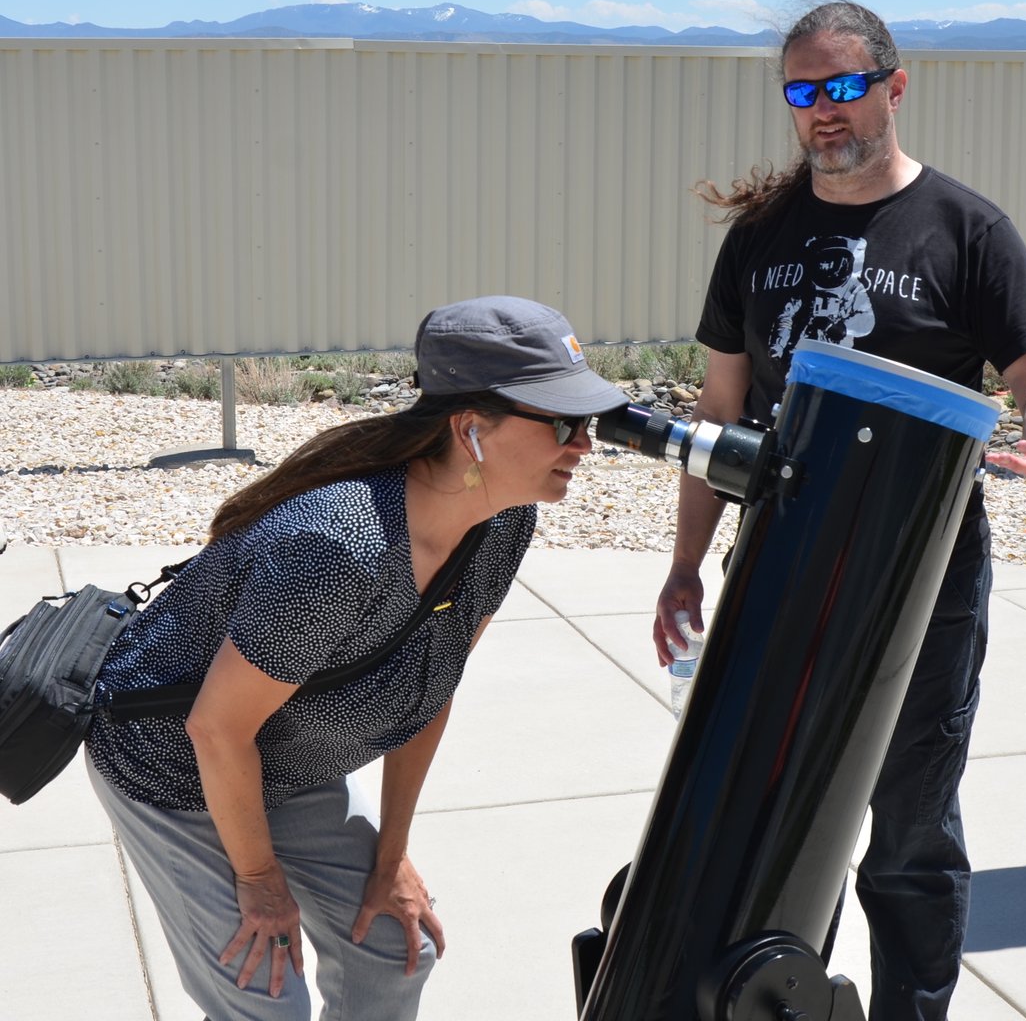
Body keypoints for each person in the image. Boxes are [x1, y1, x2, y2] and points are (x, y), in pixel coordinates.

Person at [654, 0, 1026, 1021]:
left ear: (893, 87)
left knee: (906, 827)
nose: (820, 111)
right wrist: (682, 563)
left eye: (840, 86)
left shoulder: (965, 228)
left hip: (919, 578)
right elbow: (720, 409)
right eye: (800, 93)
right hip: (775, 565)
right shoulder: (757, 238)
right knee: (764, 819)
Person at [85, 295, 628, 1021]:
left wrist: (390, 856)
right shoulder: (338, 549)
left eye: (588, 424)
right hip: (175, 766)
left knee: (396, 948)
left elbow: (432, 686)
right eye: (563, 424)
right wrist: (260, 880)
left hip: (287, 756)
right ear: (470, 430)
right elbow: (216, 730)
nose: (584, 445)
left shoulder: (500, 525)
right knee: (265, 996)